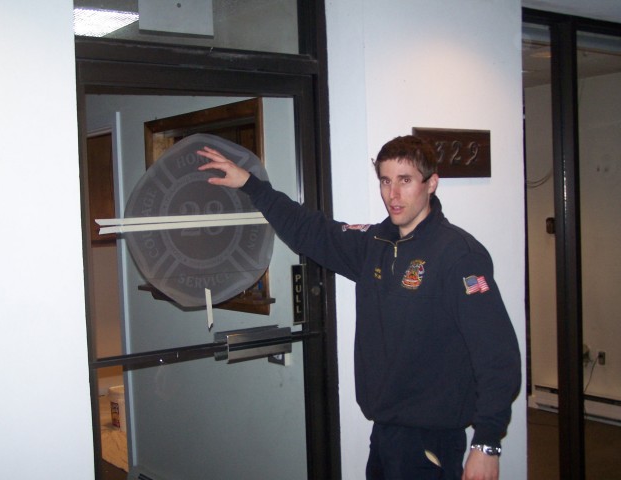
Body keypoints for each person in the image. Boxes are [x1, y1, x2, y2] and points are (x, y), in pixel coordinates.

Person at [198, 135, 521, 480]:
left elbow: (496, 354)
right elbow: (311, 231)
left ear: (432, 183)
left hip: (432, 441)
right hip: (385, 433)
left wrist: (487, 442)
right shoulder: (375, 244)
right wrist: (252, 185)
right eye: (385, 181)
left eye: (405, 181)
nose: (393, 195)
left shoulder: (458, 255)